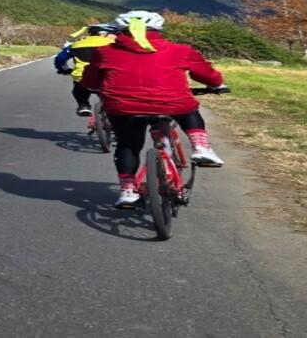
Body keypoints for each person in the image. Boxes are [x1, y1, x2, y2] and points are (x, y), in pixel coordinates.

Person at [78, 10, 231, 209]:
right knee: (188, 109)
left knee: (128, 145)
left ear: (122, 30)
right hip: (171, 103)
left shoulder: (105, 52)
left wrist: (95, 86)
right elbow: (208, 75)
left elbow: (90, 80)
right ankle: (201, 147)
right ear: (158, 29)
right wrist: (216, 85)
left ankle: (128, 191)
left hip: (123, 107)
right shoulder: (180, 50)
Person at [53, 21, 118, 116]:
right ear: (103, 34)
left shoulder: (76, 45)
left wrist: (64, 69)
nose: (116, 36)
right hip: (110, 77)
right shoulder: (117, 45)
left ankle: (83, 105)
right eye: (115, 33)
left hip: (83, 78)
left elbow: (60, 59)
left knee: (79, 88)